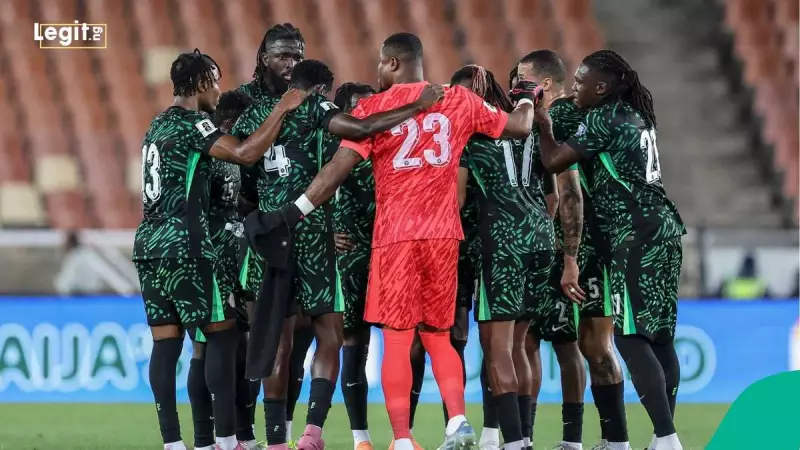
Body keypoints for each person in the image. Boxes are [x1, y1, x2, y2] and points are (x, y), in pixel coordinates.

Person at [259, 32, 539, 450]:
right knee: (439, 335)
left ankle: (403, 439)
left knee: (396, 339)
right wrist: (526, 97)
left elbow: (335, 172)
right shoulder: (459, 100)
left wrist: (290, 213)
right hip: (444, 234)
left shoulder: (375, 107)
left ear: (391, 63)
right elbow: (518, 127)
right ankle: (458, 420)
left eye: (378, 64)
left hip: (396, 237)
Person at [231, 58, 444, 450]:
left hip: (267, 236)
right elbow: (361, 129)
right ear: (323, 89)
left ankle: (276, 440)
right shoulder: (316, 107)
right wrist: (417, 106)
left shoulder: (257, 115)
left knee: (277, 341)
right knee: (330, 333)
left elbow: (242, 181)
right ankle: (313, 431)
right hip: (312, 236)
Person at [132, 49, 309, 450]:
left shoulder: (156, 125)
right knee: (222, 336)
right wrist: (281, 109)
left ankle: (173, 444)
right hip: (186, 245)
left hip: (148, 245)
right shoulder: (193, 124)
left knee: (166, 342)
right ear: (198, 84)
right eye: (213, 80)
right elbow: (245, 153)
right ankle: (226, 442)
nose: (218, 89)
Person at [533, 49, 687, 450]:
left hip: (634, 234)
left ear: (601, 88)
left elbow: (553, 162)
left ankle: (668, 439)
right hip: (665, 228)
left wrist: (544, 123)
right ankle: (659, 437)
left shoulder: (603, 117)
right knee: (661, 338)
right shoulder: (636, 116)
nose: (575, 89)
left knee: (630, 338)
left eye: (581, 83)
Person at [451, 64, 537, 450]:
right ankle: (520, 437)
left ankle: (513, 441)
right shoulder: (526, 131)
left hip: (494, 245)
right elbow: (553, 193)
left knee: (495, 347)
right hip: (538, 241)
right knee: (519, 346)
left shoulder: (470, 135)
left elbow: (457, 199)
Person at [184, 90, 266, 450]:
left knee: (242, 347)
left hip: (237, 260)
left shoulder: (233, 159)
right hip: (208, 261)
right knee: (206, 347)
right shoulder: (208, 155)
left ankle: (242, 436)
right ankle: (208, 440)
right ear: (232, 123)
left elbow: (242, 203)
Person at [330, 81, 379, 450]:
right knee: (354, 344)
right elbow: (302, 191)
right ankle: (360, 437)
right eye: (361, 108)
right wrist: (325, 231)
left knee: (404, 342)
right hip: (350, 260)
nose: (370, 114)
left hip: (390, 255)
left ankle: (403, 435)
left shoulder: (390, 149)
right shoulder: (335, 152)